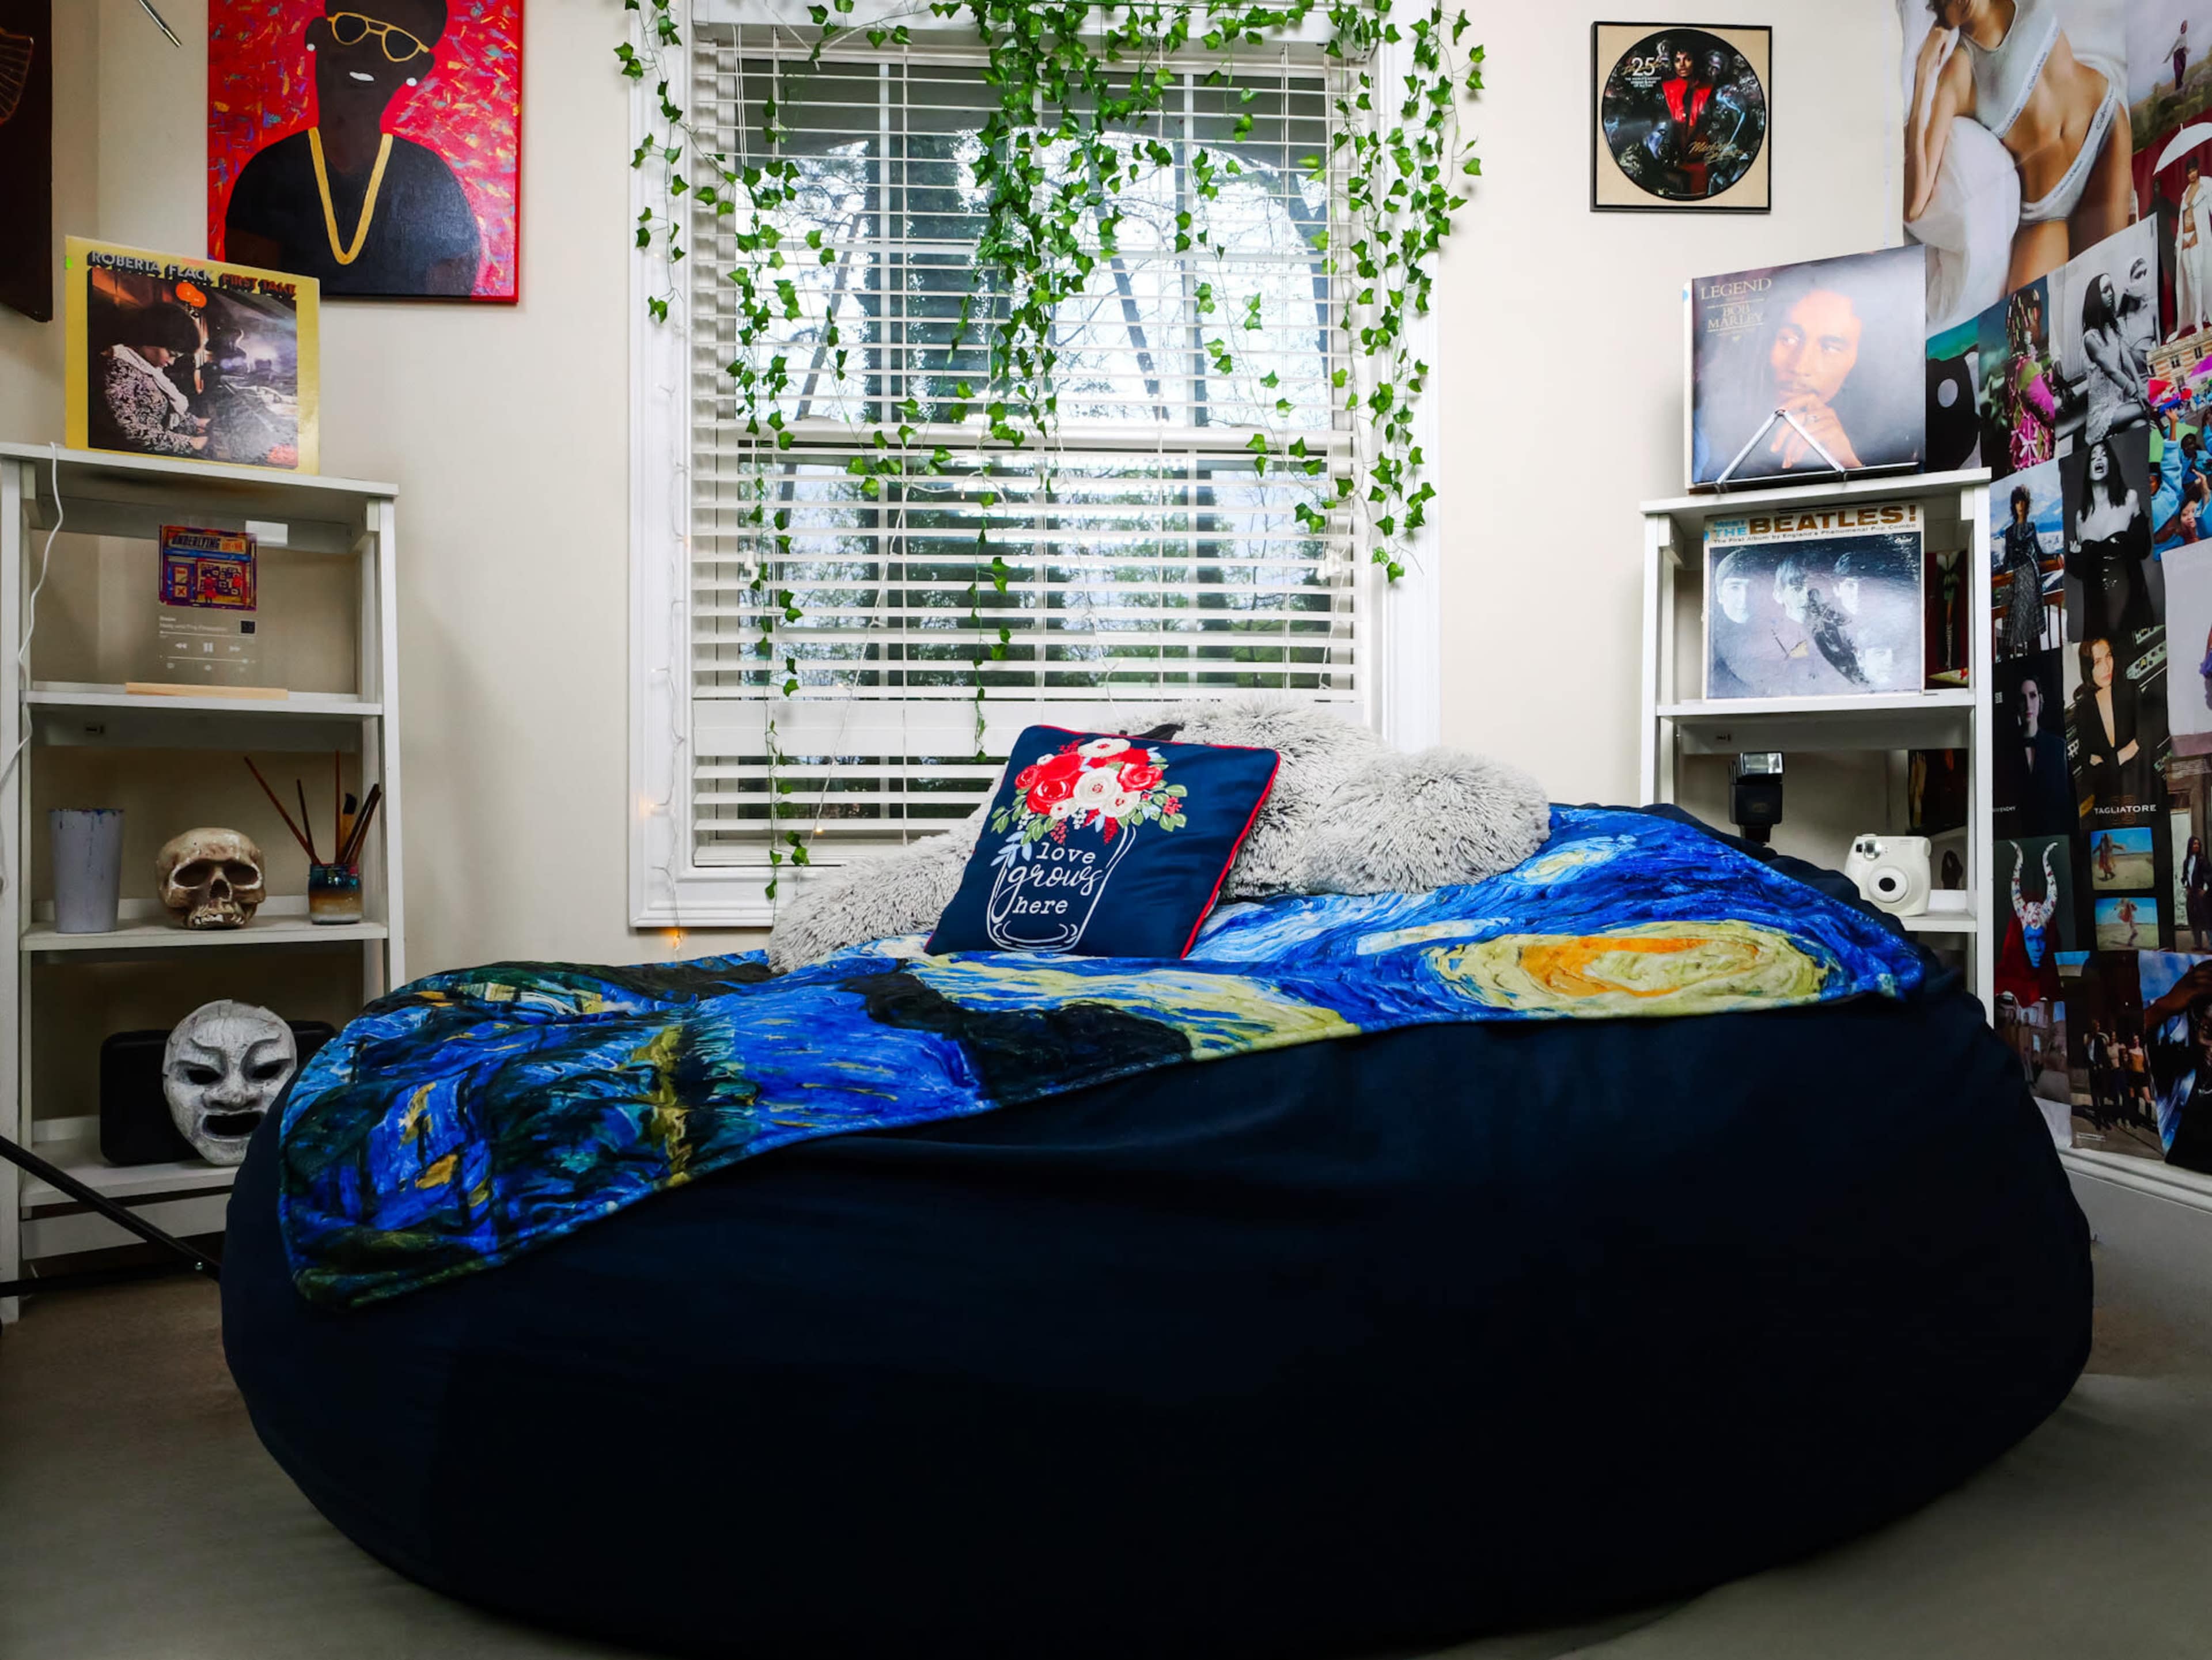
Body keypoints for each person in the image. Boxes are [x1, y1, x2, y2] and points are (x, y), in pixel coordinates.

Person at [222, 1, 481, 297]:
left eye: (398, 44)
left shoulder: (430, 178)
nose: (369, 51)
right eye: (352, 28)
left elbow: (448, 304)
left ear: (418, 68)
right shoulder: (267, 174)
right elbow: (250, 307)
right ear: (318, 34)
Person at [1907, 0, 2133, 293]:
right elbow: (1914, 207)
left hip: (2104, 131)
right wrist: (1925, 72)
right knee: (2028, 329)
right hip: (2049, 208)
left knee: (2112, 289)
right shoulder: (1957, 74)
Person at [90, 303, 210, 458]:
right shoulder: (117, 367)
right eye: (171, 353)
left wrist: (197, 423)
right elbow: (129, 430)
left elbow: (159, 412)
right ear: (151, 338)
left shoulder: (147, 368)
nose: (172, 362)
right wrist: (191, 443)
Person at [2065, 436, 2154, 641]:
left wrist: (2138, 525)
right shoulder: (2081, 518)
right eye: (2094, 456)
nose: (2099, 459)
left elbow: (2143, 550)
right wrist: (2075, 557)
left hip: (2132, 607)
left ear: (2110, 463)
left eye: (2104, 455)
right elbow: (2082, 574)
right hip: (2098, 615)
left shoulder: (2129, 499)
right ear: (2087, 469)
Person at [2072, 635, 2149, 810]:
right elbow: (2089, 772)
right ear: (2088, 668)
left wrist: (2106, 763)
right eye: (2098, 662)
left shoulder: (2130, 689)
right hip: (2107, 801)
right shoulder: (2083, 708)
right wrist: (2125, 754)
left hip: (2141, 791)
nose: (2107, 666)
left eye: (2109, 656)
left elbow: (2147, 743)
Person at [2077, 271, 2151, 443]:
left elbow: (2126, 359)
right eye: (2106, 290)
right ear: (2096, 298)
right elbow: (2111, 370)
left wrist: (2140, 387)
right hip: (2102, 413)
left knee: (2141, 426)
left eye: (2111, 288)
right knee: (2148, 407)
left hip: (2120, 404)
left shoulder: (2113, 327)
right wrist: (2137, 392)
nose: (2111, 293)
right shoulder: (2090, 338)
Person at [2014, 672, 2072, 833]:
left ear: (2041, 700)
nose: (2028, 703)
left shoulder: (2057, 747)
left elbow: (2064, 803)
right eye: (2022, 698)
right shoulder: (2006, 750)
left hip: (2053, 836)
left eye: (2032, 696)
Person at [1999, 483, 2045, 657]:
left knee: (2030, 622)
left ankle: (2035, 656)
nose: (2021, 506)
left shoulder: (2031, 527)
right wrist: (1997, 572)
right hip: (2018, 577)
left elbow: (2040, 553)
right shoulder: (2009, 532)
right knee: (2015, 621)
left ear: (2027, 505)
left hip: (2030, 574)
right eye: (2017, 502)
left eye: (2023, 502)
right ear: (2014, 505)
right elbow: (2007, 560)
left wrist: (2056, 556)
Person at [2178, 156, 2212, 340]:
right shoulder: (2185, 193)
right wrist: (2179, 242)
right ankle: (2199, 313)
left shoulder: (2207, 185)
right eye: (2188, 172)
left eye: (2193, 170)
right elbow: (2182, 218)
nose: (2191, 174)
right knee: (2190, 278)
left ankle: (2199, 321)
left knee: (2199, 277)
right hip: (2185, 239)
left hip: (2199, 236)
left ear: (2198, 169)